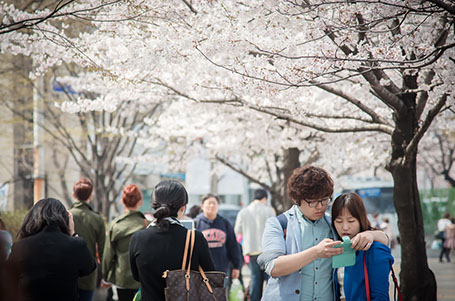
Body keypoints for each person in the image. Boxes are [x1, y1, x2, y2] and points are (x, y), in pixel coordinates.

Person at [259, 166, 389, 301]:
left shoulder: (334, 223)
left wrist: (371, 234)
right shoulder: (278, 224)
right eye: (312, 201)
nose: (320, 206)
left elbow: (385, 242)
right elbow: (273, 267)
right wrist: (316, 252)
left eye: (324, 199)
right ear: (295, 199)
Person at [129, 180, 215, 301]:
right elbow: (211, 276)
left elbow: (136, 276)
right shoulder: (195, 238)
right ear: (182, 208)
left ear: (154, 206)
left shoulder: (137, 239)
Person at [5, 198, 96, 300]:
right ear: (64, 219)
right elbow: (89, 268)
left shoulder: (20, 247)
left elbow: (8, 277)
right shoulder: (76, 245)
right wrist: (73, 234)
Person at [332, 192, 394, 300]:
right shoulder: (337, 246)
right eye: (339, 221)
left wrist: (373, 234)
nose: (345, 227)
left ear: (361, 219)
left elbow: (380, 296)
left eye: (351, 221)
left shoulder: (374, 250)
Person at [102, 184, 147, 301]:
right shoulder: (147, 224)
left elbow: (108, 256)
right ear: (140, 201)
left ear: (123, 201)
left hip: (122, 278)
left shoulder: (115, 225)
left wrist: (105, 277)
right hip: (143, 278)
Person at [234, 188, 275, 301]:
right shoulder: (269, 211)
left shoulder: (244, 211)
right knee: (270, 280)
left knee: (255, 278)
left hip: (251, 250)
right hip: (267, 251)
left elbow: (238, 230)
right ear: (265, 198)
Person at [69, 178, 106, 301]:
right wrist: (105, 276)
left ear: (74, 195)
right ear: (90, 196)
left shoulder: (66, 215)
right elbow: (102, 251)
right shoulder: (97, 219)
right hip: (89, 274)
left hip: (67, 273)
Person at [195, 194, 242, 289]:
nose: (212, 206)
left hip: (222, 270)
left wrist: (236, 266)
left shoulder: (224, 223)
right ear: (202, 205)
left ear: (218, 206)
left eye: (214, 203)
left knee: (221, 296)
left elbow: (232, 245)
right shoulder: (196, 223)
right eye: (209, 203)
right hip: (201, 271)